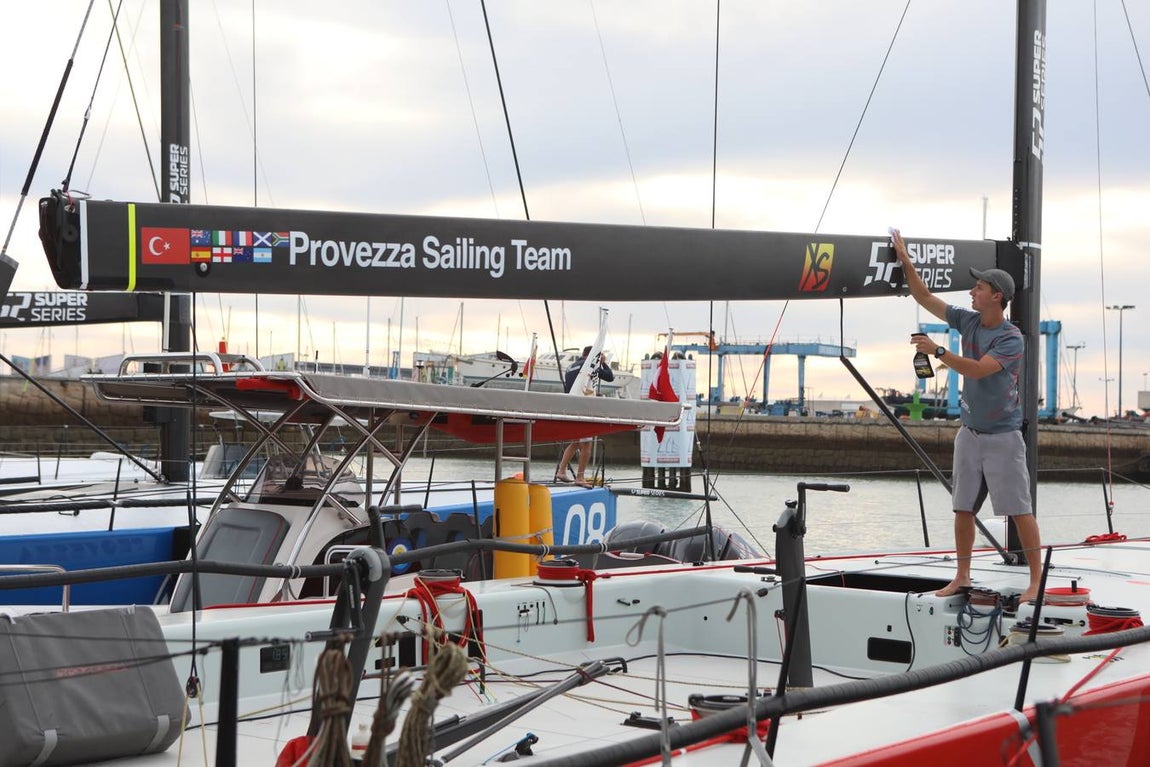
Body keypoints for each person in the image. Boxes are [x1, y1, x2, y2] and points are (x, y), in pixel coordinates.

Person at [892, 229, 1041, 602]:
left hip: (1003, 437)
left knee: (1019, 511)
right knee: (962, 507)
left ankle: (1036, 581)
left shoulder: (1011, 338)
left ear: (997, 297)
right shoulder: (969, 321)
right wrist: (906, 259)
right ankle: (961, 575)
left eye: (978, 288)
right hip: (970, 432)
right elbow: (923, 296)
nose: (972, 292)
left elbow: (978, 369)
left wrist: (938, 350)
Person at [555, 345, 615, 487]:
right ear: (594, 355)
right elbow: (610, 377)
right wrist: (603, 362)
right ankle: (580, 478)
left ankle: (561, 471)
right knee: (586, 444)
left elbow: (575, 387)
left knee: (576, 441)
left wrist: (593, 393)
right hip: (583, 408)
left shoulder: (571, 367)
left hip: (571, 406)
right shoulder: (590, 365)